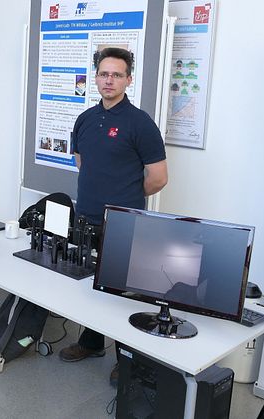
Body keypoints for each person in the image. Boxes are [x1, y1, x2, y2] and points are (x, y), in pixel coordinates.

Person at [58, 47, 168, 384]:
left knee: (122, 296)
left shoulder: (140, 123)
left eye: (117, 74)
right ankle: (91, 343)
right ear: (95, 77)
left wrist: (126, 198)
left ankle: (127, 359)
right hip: (86, 217)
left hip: (124, 224)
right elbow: (81, 161)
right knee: (91, 286)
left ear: (128, 80)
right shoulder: (86, 119)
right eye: (104, 73)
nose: (109, 80)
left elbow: (158, 177)